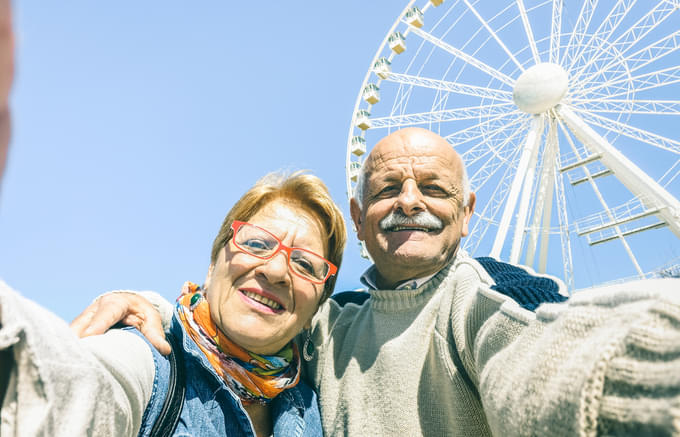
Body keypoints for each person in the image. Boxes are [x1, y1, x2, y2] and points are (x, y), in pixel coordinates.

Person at [77, 126, 680, 436]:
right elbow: (223, 328)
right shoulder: (324, 331)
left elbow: (548, 353)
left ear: (467, 214)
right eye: (388, 188)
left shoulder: (487, 295)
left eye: (434, 189)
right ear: (360, 218)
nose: (409, 202)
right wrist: (147, 305)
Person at [0, 170, 347, 436]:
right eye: (256, 244)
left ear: (313, 313)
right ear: (212, 268)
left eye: (304, 264)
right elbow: (71, 389)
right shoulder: (152, 362)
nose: (274, 270)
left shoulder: (316, 408)